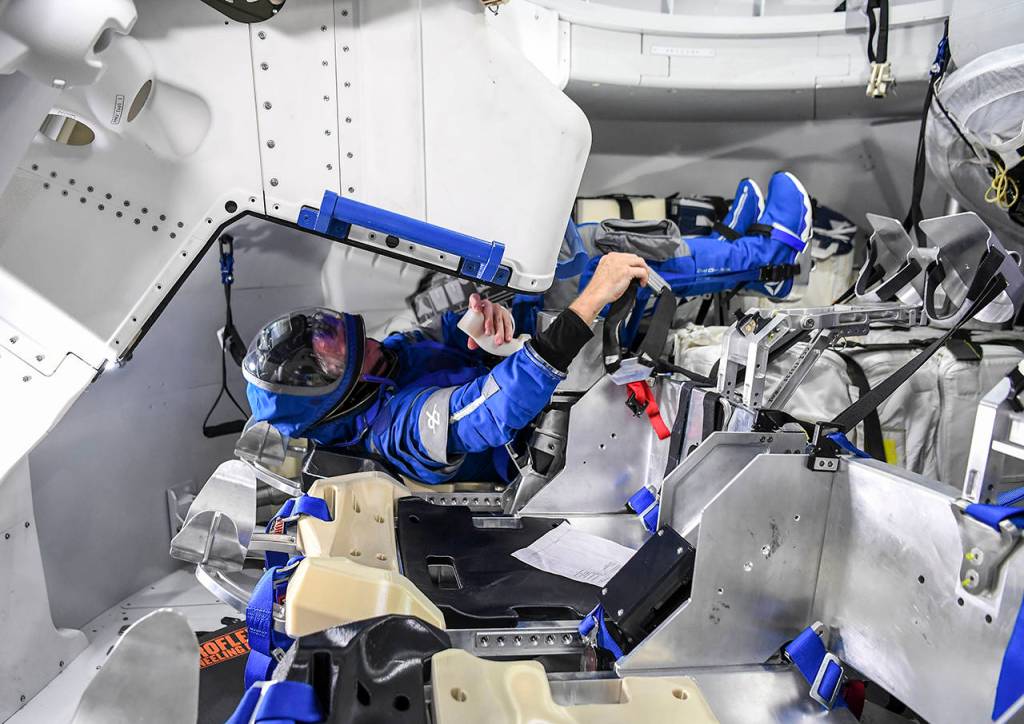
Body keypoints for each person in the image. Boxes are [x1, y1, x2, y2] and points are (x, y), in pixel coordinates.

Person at [242, 253, 650, 484]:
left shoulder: (388, 357)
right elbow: (489, 410)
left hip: (567, 395)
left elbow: (450, 335)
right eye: (333, 353)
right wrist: (592, 298)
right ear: (334, 396)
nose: (347, 339)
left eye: (330, 331)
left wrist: (489, 319)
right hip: (557, 455)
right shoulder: (396, 430)